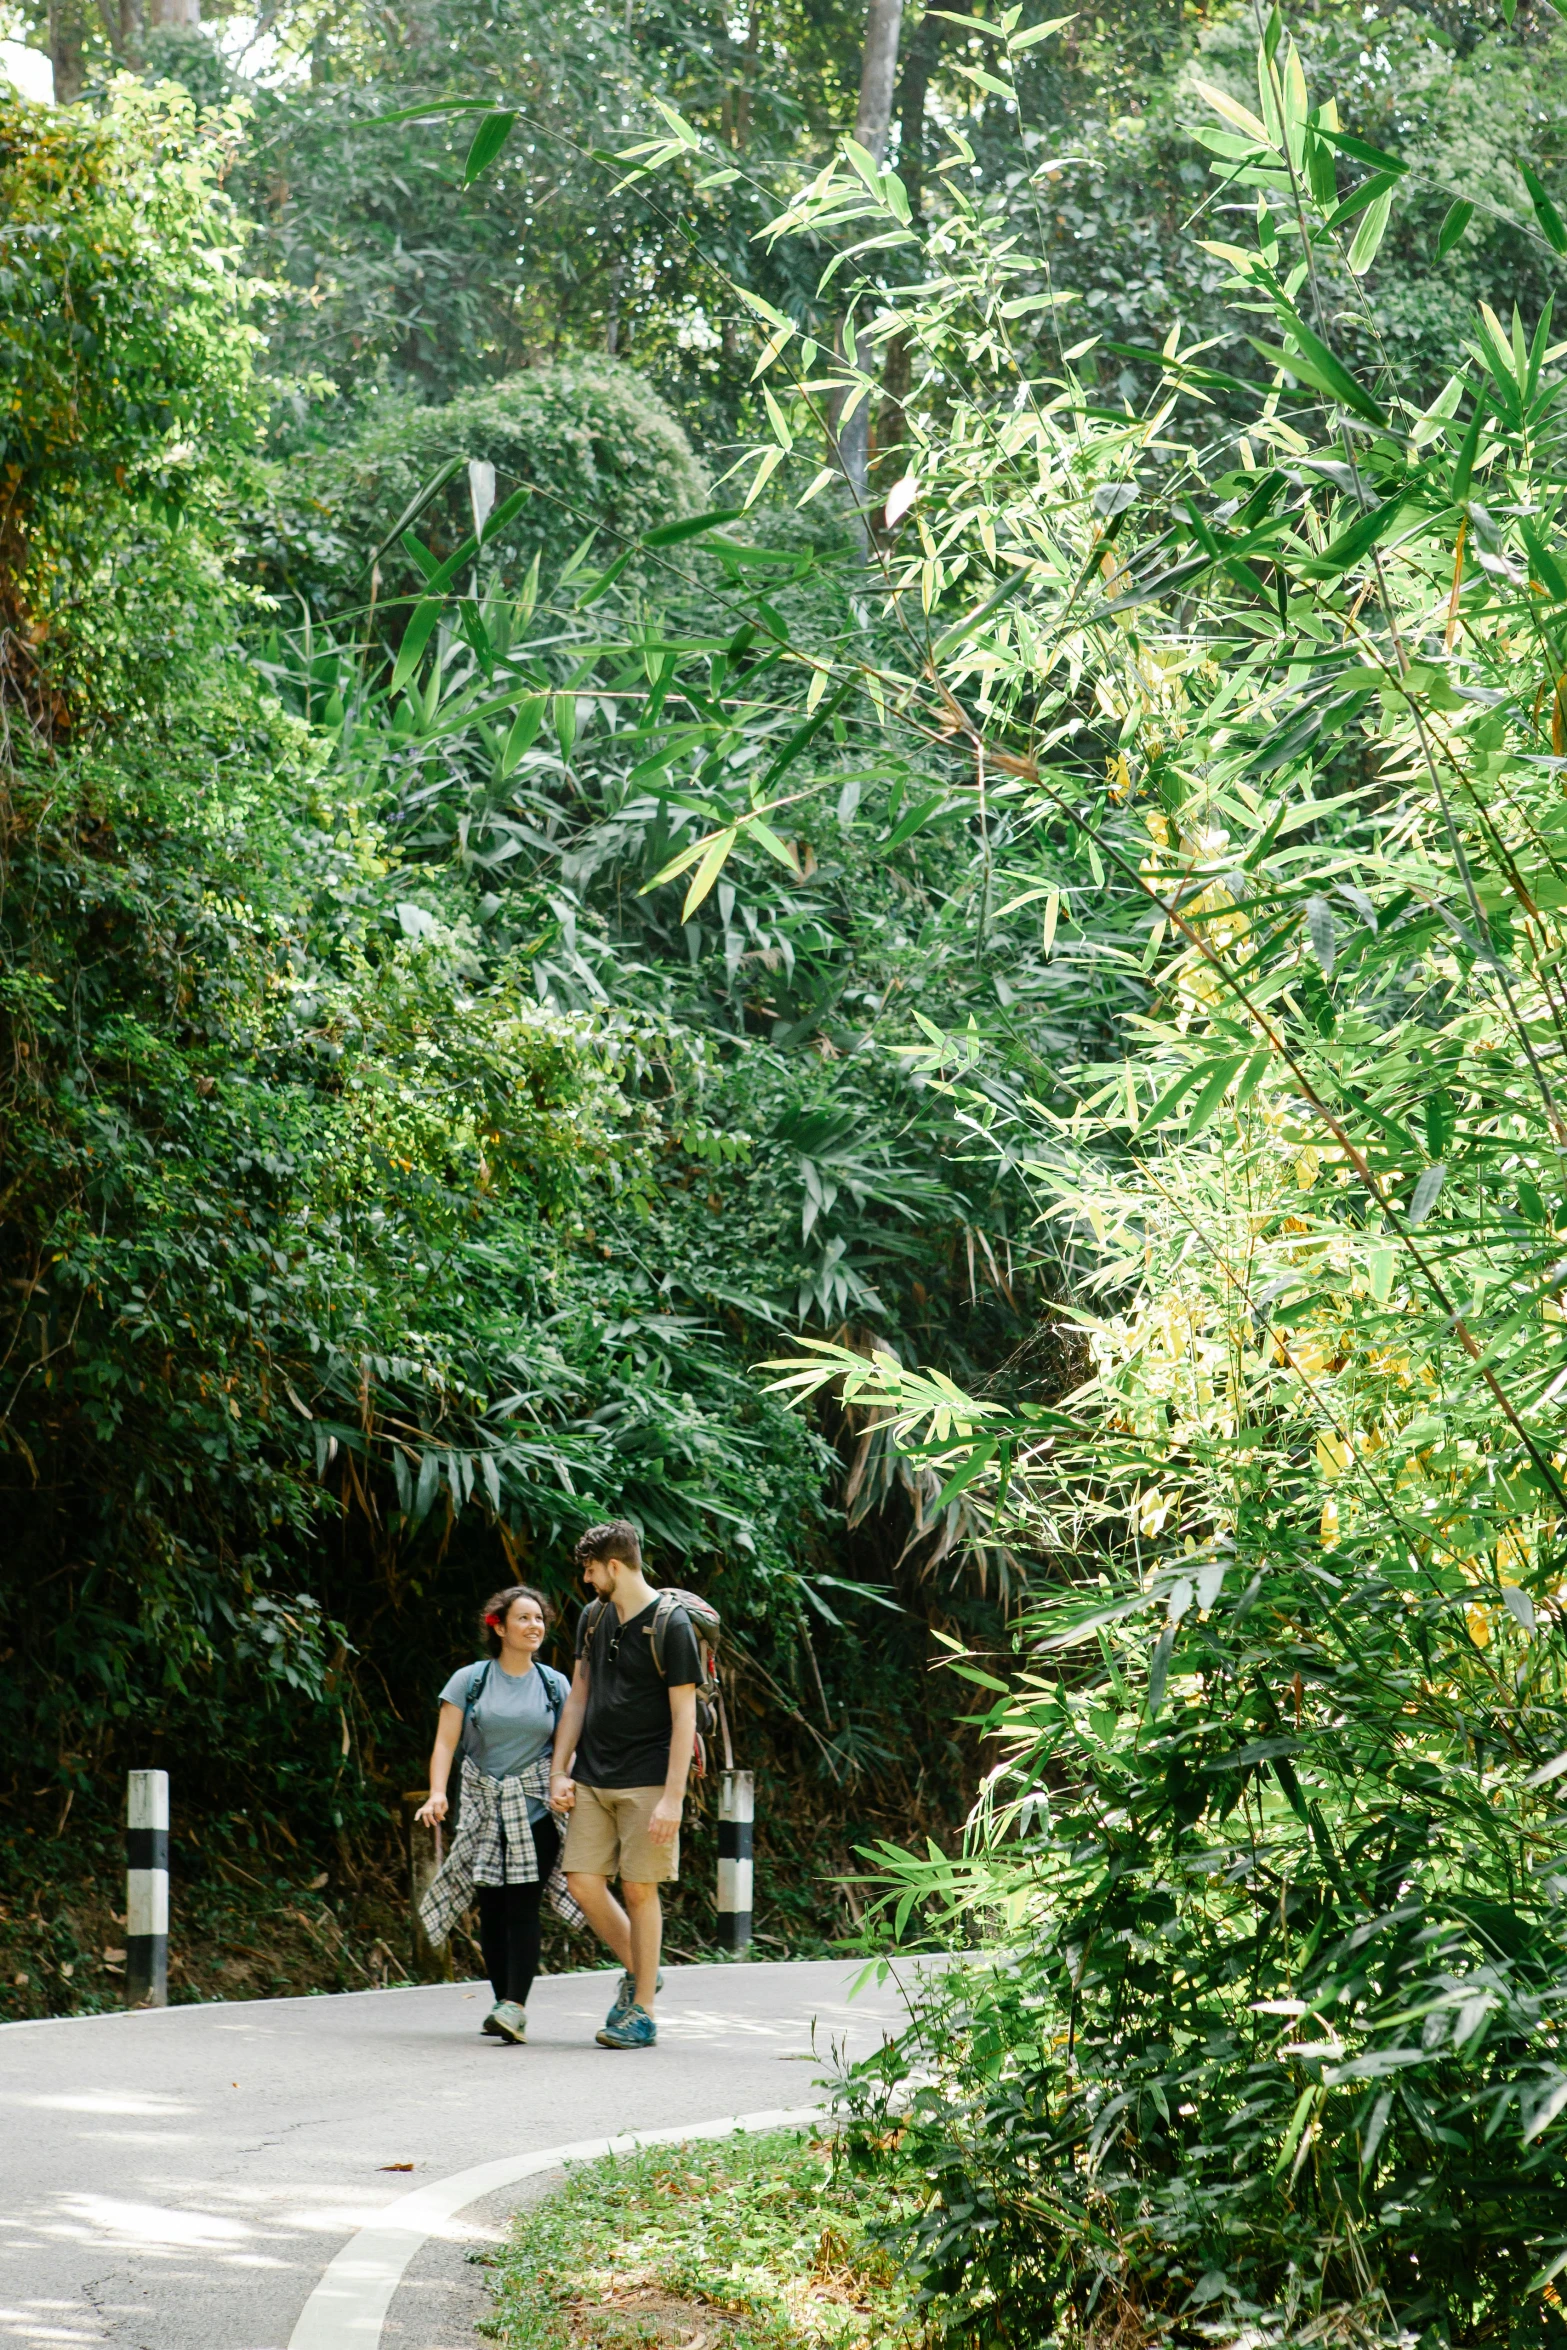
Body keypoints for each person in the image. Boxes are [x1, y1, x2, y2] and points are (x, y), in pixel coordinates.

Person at [550, 1520, 698, 2049]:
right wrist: (558, 1769)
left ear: (614, 1566)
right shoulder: (593, 1618)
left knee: (639, 1888)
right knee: (582, 1881)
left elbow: (686, 1718)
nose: (587, 1580)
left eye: (590, 1570)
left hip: (648, 1778)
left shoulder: (670, 1624)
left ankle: (644, 2011)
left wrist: (673, 1800)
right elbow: (578, 1697)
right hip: (592, 1771)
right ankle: (642, 1971)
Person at [415, 1584, 579, 2045]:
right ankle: (502, 2001)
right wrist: (436, 1793)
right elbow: (445, 1742)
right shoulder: (470, 1680)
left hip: (536, 1808)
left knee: (524, 1903)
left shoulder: (554, 1684)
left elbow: (568, 1747)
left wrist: (566, 1782)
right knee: (491, 1908)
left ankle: (515, 2005)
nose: (534, 1626)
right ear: (499, 1626)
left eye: (539, 1619)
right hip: (485, 1806)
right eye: (523, 1618)